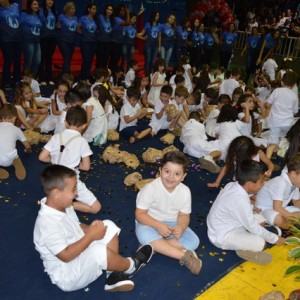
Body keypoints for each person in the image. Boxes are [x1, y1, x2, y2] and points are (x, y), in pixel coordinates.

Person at [34, 164, 154, 292]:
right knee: (98, 251)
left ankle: (112, 274)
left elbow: (75, 225)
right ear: (57, 193)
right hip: (68, 273)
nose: (76, 193)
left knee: (107, 225)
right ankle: (131, 266)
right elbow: (65, 255)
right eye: (73, 190)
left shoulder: (63, 205)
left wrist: (91, 228)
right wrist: (91, 235)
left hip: (79, 251)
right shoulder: (47, 224)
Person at [135, 150, 202, 274]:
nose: (171, 177)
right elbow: (139, 214)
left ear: (183, 176)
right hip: (149, 222)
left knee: (194, 241)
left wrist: (181, 227)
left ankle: (153, 247)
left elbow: (184, 215)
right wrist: (157, 225)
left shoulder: (185, 191)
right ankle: (183, 257)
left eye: (177, 174)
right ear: (160, 171)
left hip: (172, 223)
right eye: (167, 171)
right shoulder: (150, 189)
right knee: (144, 234)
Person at [207, 160, 285, 264]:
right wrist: (275, 239)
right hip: (222, 236)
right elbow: (252, 226)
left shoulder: (233, 185)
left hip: (229, 224)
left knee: (260, 220)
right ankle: (243, 249)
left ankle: (244, 244)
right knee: (261, 243)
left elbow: (234, 204)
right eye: (261, 181)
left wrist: (250, 206)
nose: (263, 184)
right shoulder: (239, 200)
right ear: (249, 184)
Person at [39, 106, 101, 214]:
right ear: (84, 126)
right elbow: (86, 167)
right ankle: (65, 204)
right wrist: (77, 165)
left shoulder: (56, 136)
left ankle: (55, 199)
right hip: (70, 181)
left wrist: (54, 160)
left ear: (66, 123)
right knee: (96, 208)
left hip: (53, 179)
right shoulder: (82, 141)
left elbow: (42, 157)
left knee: (63, 191)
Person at [208, 136, 274, 188]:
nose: (235, 155)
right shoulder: (235, 154)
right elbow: (226, 167)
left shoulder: (258, 153)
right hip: (240, 180)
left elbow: (270, 164)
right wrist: (217, 182)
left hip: (254, 178)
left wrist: (270, 170)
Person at [256, 154, 300, 230]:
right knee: (278, 219)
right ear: (293, 174)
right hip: (265, 210)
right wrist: (293, 218)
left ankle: (285, 224)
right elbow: (277, 208)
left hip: (282, 207)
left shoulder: (295, 183)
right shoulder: (280, 182)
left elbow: (296, 201)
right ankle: (293, 230)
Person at [265, 71, 298, 159]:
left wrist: (271, 107)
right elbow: (295, 111)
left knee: (272, 141)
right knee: (278, 137)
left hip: (276, 121)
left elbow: (267, 104)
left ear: (282, 82)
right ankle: (274, 156)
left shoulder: (277, 91)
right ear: (294, 84)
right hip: (288, 123)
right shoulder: (294, 95)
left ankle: (267, 163)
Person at [0, 104, 32, 180]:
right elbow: (27, 146)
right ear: (15, 118)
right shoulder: (17, 129)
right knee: (15, 157)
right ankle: (17, 162)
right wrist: (28, 151)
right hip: (8, 160)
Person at [0, 0, 22, 89]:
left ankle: (17, 80)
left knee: (17, 60)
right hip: (6, 39)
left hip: (18, 39)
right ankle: (6, 81)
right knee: (8, 61)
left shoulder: (15, 6)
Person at [20, 0, 42, 77]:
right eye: (34, 4)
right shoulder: (24, 14)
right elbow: (19, 25)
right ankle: (26, 79)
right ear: (30, 5)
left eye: (38, 4)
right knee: (28, 61)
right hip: (28, 41)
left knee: (37, 61)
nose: (37, 6)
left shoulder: (37, 15)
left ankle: (32, 78)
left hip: (37, 42)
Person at [78, 2, 99, 84]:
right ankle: (83, 78)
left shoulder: (95, 20)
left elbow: (97, 31)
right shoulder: (83, 18)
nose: (95, 10)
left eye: (95, 9)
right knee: (86, 60)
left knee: (90, 61)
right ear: (89, 9)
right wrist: (83, 34)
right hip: (85, 42)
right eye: (93, 9)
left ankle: (86, 78)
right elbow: (78, 29)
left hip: (93, 43)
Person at [38, 0, 57, 85]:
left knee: (49, 59)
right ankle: (41, 78)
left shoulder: (54, 11)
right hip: (43, 37)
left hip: (52, 38)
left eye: (52, 0)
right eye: (49, 0)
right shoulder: (40, 10)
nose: (50, 2)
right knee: (42, 59)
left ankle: (49, 77)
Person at [57, 2, 78, 75]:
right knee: (67, 58)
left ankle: (64, 73)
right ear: (67, 9)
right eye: (72, 9)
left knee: (68, 59)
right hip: (63, 41)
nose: (74, 10)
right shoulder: (62, 17)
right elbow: (58, 26)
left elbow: (77, 28)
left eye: (74, 9)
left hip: (72, 41)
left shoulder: (76, 18)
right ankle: (66, 75)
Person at [96, 4, 113, 69]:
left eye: (111, 10)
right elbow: (96, 26)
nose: (109, 11)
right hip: (100, 41)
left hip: (109, 43)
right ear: (105, 10)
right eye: (108, 9)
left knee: (105, 60)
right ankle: (96, 75)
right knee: (99, 60)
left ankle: (104, 76)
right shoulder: (101, 17)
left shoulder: (113, 20)